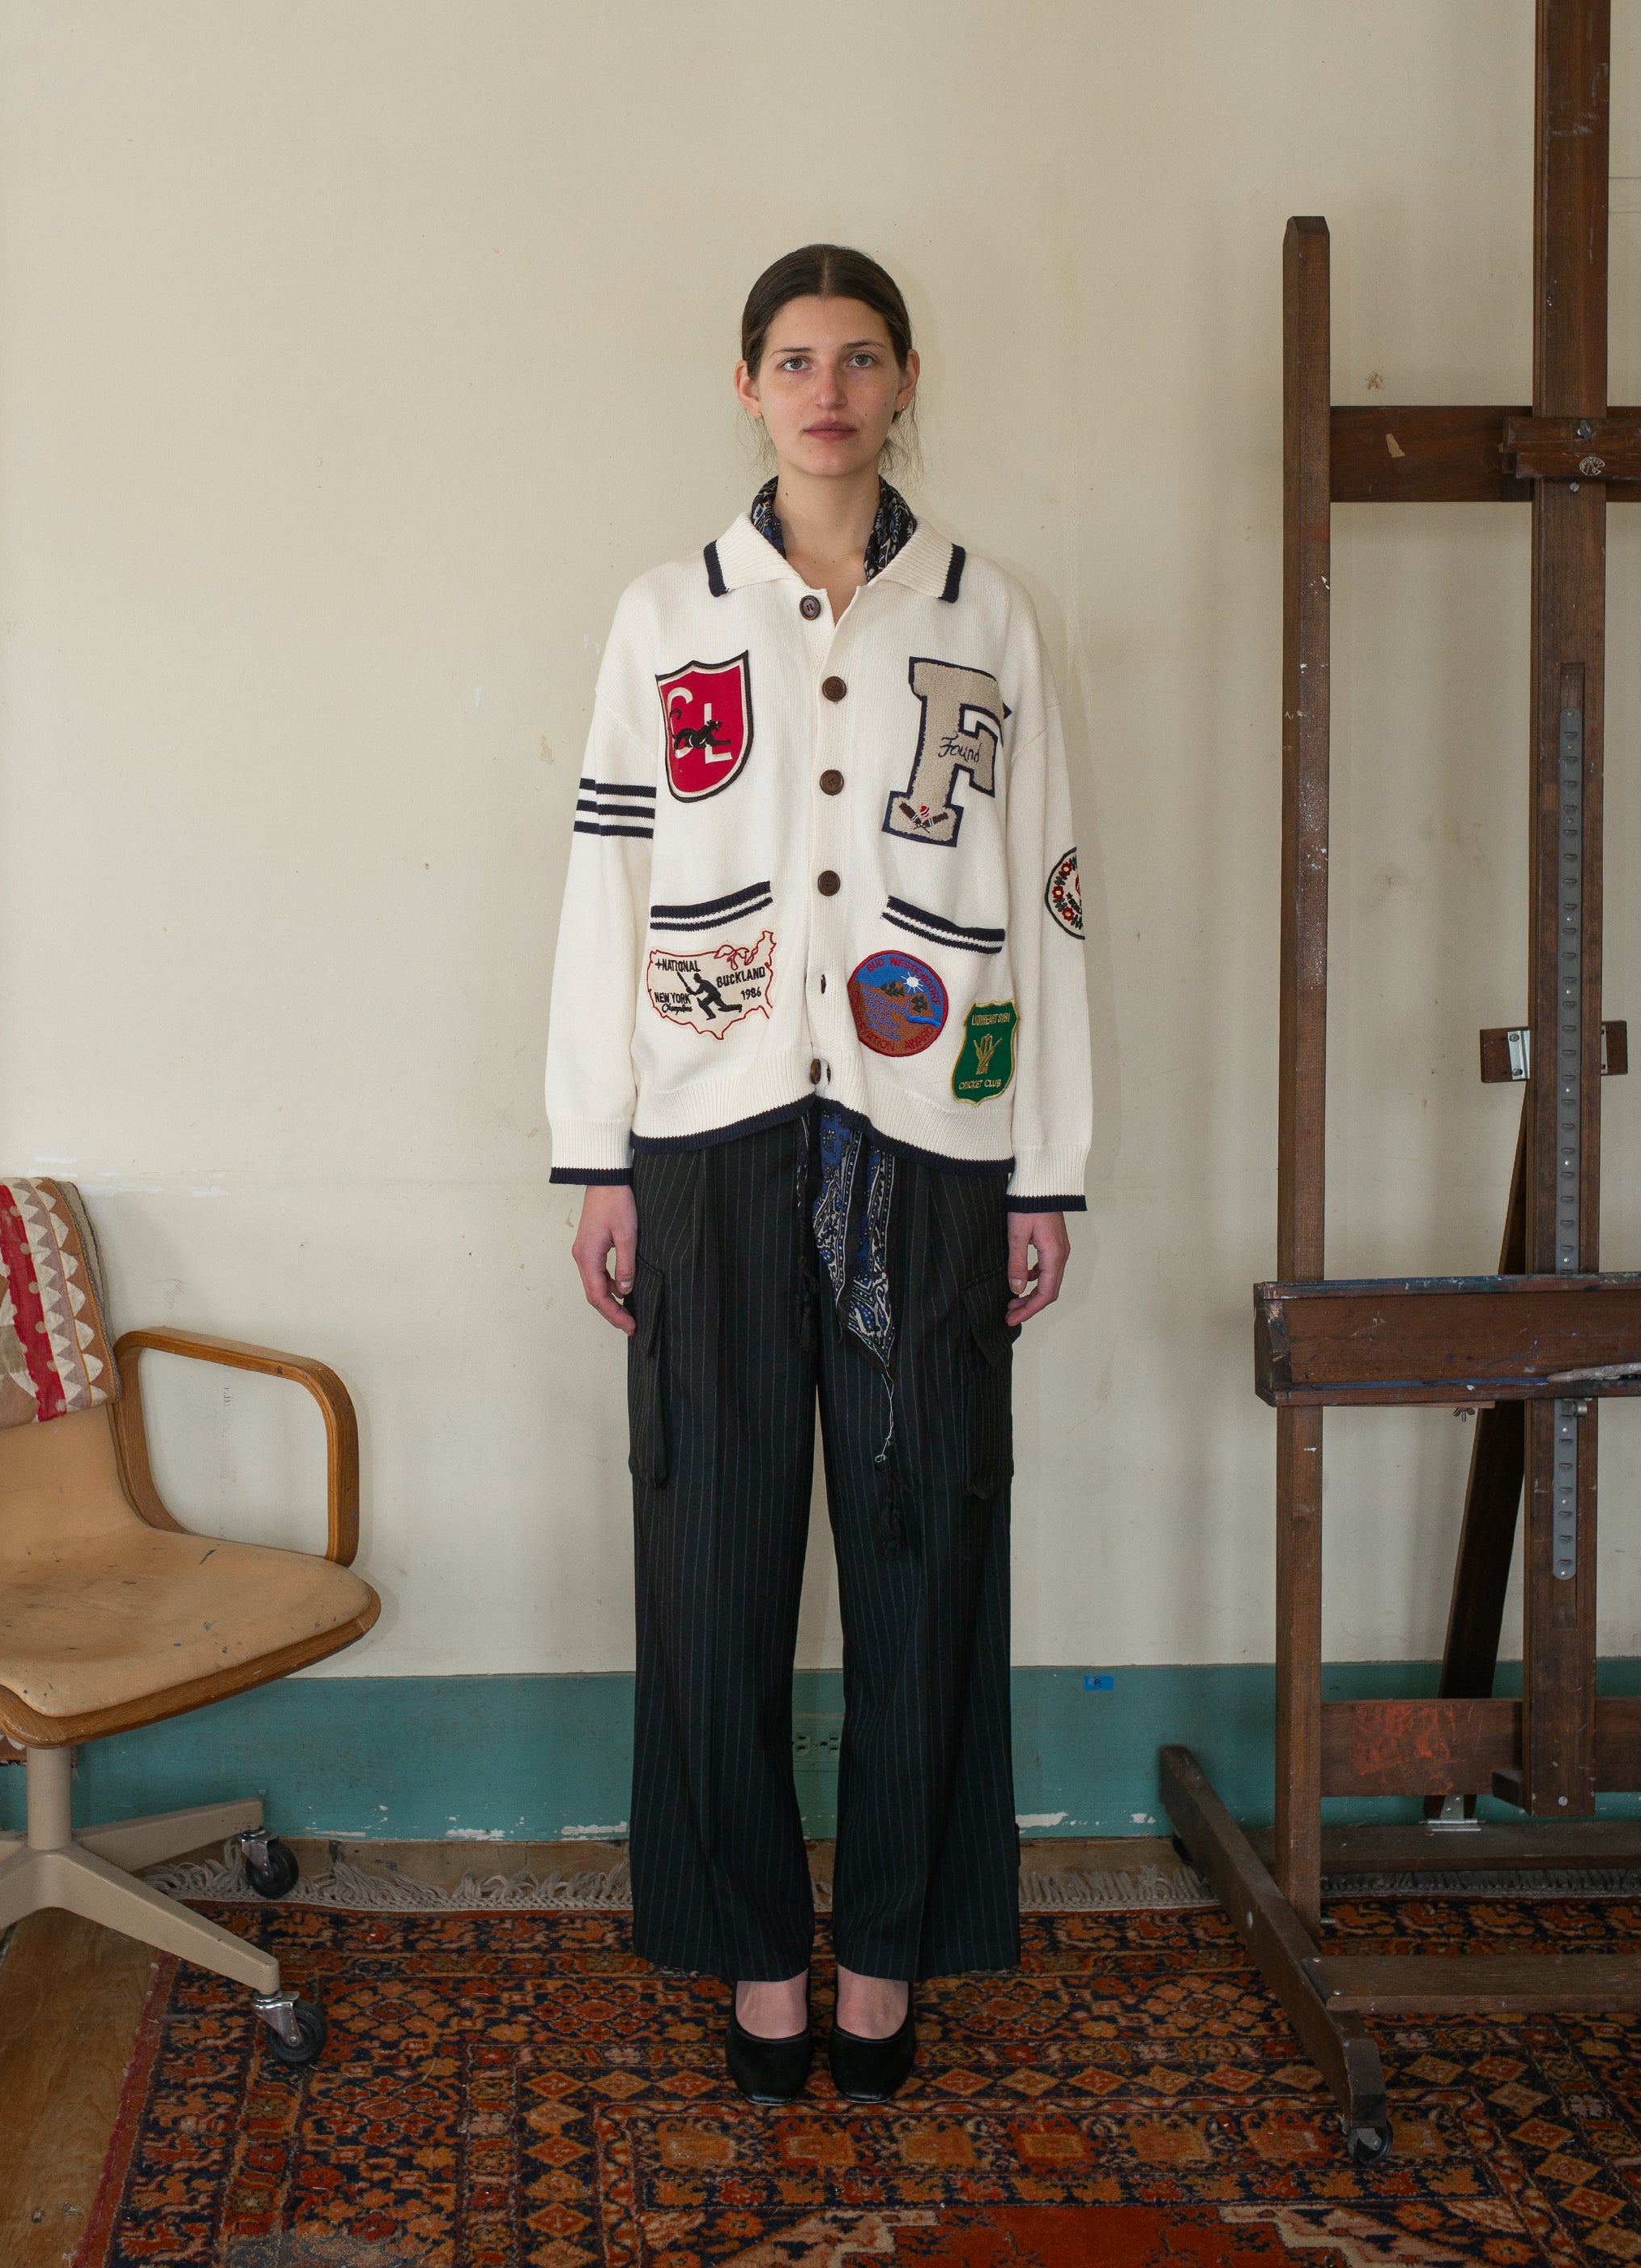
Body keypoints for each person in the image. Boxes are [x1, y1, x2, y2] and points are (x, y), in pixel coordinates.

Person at [545, 243, 1091, 2104]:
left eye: (861, 357)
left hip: (933, 1138)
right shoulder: (665, 616)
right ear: (748, 385)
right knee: (712, 1554)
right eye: (795, 357)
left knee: (927, 1548)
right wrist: (596, 1156)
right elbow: (603, 892)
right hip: (704, 1140)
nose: (828, 386)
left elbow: (1051, 903)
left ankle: (888, 1961)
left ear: (905, 375)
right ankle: (754, 1959)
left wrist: (1046, 1171)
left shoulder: (987, 612)